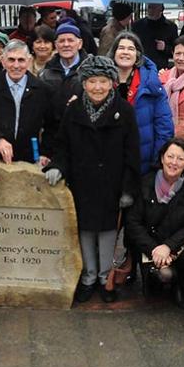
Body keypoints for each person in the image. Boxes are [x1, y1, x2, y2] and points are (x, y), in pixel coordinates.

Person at [43, 55, 140, 303]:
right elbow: (62, 146)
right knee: (85, 230)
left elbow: (132, 153)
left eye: (103, 81)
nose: (98, 87)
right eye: (92, 81)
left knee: (108, 232)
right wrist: (57, 167)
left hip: (111, 184)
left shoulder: (124, 111)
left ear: (112, 83)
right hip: (82, 182)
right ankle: (88, 277)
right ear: (84, 83)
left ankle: (104, 278)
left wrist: (128, 188)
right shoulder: (73, 110)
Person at [126, 138, 184, 309]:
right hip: (152, 246)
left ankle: (179, 285)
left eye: (180, 159)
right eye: (170, 156)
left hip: (178, 245)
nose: (174, 162)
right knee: (164, 276)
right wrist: (154, 249)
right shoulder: (145, 184)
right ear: (162, 158)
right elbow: (133, 223)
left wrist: (169, 246)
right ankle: (159, 277)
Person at [0, 39, 56, 164]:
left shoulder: (43, 90)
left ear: (29, 61)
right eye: (11, 60)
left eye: (21, 60)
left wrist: (45, 153)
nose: (16, 65)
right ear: (3, 62)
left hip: (31, 160)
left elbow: (51, 126)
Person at [107, 31, 174, 174]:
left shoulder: (152, 85)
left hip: (143, 165)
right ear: (114, 52)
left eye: (131, 49)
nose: (125, 52)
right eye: (121, 48)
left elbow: (164, 127)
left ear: (138, 55)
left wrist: (157, 161)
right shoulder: (102, 83)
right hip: (108, 164)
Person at [40, 21, 89, 120]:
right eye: (62, 41)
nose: (66, 45)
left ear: (80, 44)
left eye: (70, 40)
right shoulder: (46, 73)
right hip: (53, 131)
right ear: (56, 45)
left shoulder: (90, 70)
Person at [132, 3, 179, 70]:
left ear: (161, 9)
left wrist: (165, 48)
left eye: (154, 7)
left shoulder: (171, 27)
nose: (151, 10)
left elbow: (176, 50)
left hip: (160, 68)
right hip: (141, 66)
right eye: (149, 7)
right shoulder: (137, 26)